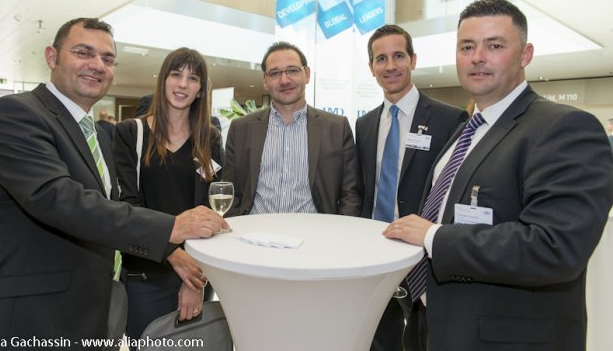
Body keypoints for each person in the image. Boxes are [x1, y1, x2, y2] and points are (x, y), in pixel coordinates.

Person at [0, 18, 227, 344]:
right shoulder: (14, 115)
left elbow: (110, 203)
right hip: (34, 312)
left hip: (92, 302)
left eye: (107, 59)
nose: (97, 65)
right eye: (83, 52)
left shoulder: (96, 135)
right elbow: (59, 199)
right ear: (52, 56)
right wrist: (172, 228)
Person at [384, 0, 613, 350]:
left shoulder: (564, 128)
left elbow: (555, 247)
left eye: (494, 46)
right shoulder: (467, 130)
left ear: (525, 55)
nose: (477, 57)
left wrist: (433, 236)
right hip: (435, 325)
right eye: (467, 47)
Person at [356, 24, 467, 351]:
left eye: (399, 56)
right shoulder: (364, 124)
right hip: (373, 249)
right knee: (378, 337)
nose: (390, 66)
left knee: (421, 339)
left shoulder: (449, 119)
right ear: (371, 67)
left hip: (422, 253)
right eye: (381, 59)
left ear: (413, 60)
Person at [113, 47, 223, 342]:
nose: (183, 84)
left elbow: (211, 210)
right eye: (176, 75)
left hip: (196, 272)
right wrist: (172, 253)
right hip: (145, 273)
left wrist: (195, 281)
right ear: (163, 80)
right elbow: (127, 205)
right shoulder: (131, 133)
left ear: (201, 89)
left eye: (193, 78)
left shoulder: (209, 138)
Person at [223, 41, 361, 217]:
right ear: (265, 81)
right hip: (255, 229)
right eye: (275, 73)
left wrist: (338, 230)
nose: (284, 80)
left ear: (307, 74)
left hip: (316, 230)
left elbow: (350, 193)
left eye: (293, 70)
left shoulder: (337, 128)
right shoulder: (241, 128)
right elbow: (230, 190)